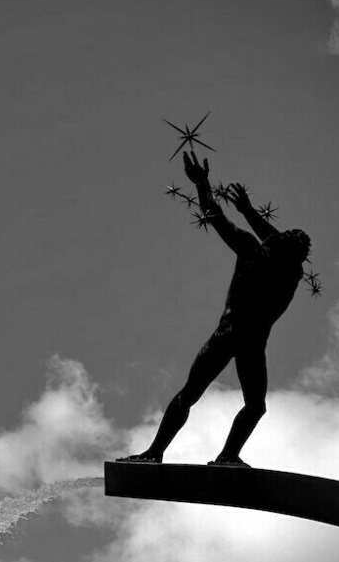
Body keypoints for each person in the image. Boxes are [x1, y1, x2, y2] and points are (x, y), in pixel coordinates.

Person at [120, 151, 311, 467]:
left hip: (228, 336)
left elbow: (215, 214)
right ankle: (223, 455)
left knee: (192, 394)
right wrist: (247, 210)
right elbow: (275, 240)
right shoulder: (292, 271)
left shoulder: (253, 251)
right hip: (249, 342)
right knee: (252, 406)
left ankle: (157, 453)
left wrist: (204, 184)